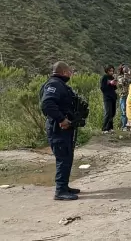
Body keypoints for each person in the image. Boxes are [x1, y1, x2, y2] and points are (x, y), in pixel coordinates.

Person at [40, 61, 81, 200]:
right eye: (69, 71)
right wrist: (61, 119)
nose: (71, 74)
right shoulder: (54, 84)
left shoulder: (59, 84)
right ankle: (60, 191)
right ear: (64, 72)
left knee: (67, 157)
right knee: (63, 158)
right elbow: (47, 104)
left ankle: (64, 186)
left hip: (64, 129)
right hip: (58, 129)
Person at [100, 65, 117, 133]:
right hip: (107, 97)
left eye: (112, 71)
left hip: (113, 97)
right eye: (110, 71)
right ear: (107, 71)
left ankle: (110, 127)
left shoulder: (112, 77)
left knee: (113, 113)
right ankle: (104, 128)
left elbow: (114, 88)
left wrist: (114, 83)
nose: (111, 72)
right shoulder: (104, 77)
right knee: (108, 112)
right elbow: (102, 88)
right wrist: (110, 83)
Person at [116, 65, 131, 131]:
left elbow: (130, 82)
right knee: (124, 111)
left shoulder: (127, 77)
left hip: (129, 96)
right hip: (123, 96)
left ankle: (129, 125)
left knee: (129, 111)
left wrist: (129, 75)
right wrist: (126, 75)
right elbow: (123, 83)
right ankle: (124, 126)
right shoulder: (120, 77)